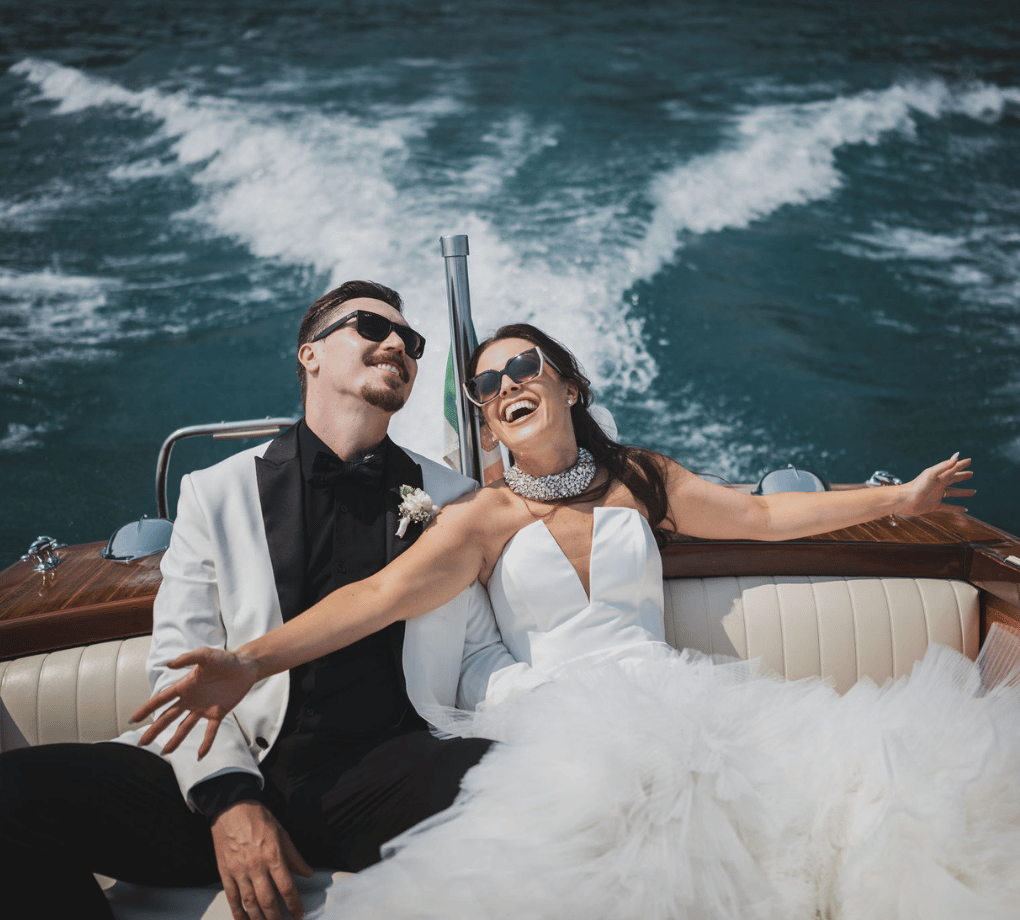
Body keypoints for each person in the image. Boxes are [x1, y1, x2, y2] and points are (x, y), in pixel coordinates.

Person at [134, 324, 1020, 919]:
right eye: (487, 382)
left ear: (565, 383)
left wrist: (899, 500)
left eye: (524, 367)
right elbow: (372, 600)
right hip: (553, 715)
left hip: (678, 697)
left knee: (879, 802)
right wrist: (250, 662)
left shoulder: (641, 477)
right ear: (485, 416)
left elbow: (759, 519)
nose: (507, 383)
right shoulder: (479, 517)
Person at [0, 283, 533, 920]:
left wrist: (557, 708)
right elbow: (180, 666)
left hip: (384, 776)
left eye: (412, 342)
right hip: (228, 765)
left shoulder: (452, 497)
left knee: (533, 783)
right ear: (310, 355)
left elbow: (475, 656)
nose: (399, 345)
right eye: (371, 327)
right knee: (12, 796)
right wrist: (230, 803)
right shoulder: (213, 493)